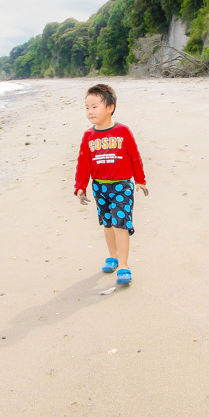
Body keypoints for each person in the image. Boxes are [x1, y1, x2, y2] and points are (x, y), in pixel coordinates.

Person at [74, 84, 148, 285]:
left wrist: (140, 180)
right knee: (107, 223)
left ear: (110, 107)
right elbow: (83, 163)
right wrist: (80, 186)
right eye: (87, 107)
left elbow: (134, 157)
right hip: (100, 187)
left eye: (94, 106)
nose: (90, 111)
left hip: (121, 186)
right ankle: (113, 256)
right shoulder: (88, 136)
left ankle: (123, 265)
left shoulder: (123, 131)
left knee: (120, 225)